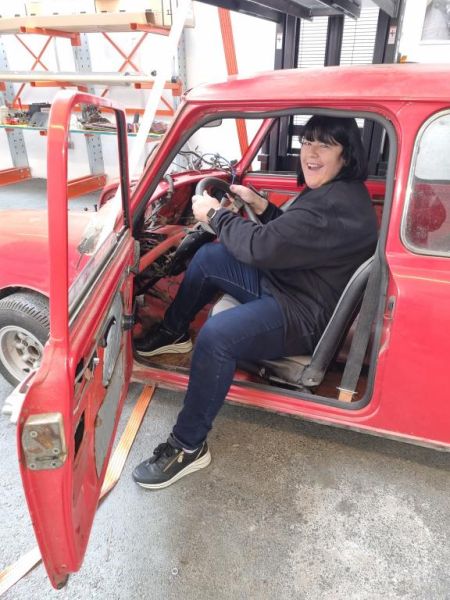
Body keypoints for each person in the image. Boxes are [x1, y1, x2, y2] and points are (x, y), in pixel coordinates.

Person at [132, 115, 378, 490]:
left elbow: (260, 247)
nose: (311, 153)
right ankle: (173, 333)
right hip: (293, 283)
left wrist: (214, 215)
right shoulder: (339, 192)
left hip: (303, 314)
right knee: (210, 258)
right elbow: (293, 236)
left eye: (324, 145)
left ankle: (187, 446)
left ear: (346, 155)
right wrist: (259, 205)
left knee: (217, 336)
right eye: (307, 142)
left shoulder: (333, 204)